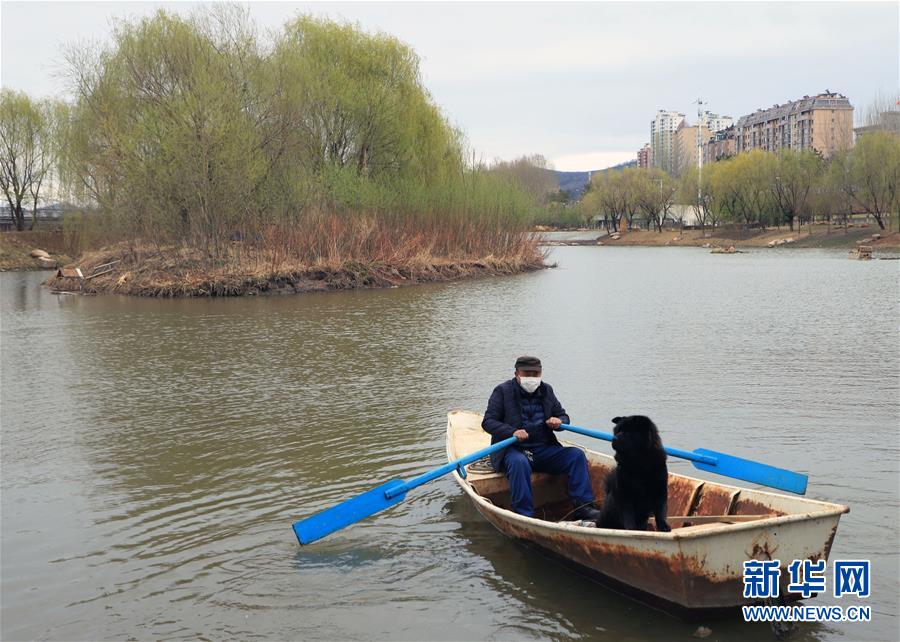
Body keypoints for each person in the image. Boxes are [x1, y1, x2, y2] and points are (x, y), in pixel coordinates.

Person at [482, 356, 601, 521]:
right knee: (519, 463)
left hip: (543, 449)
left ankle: (583, 507)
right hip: (514, 451)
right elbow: (488, 422)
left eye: (535, 373)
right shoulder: (502, 391)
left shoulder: (547, 390)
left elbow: (563, 416)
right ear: (516, 373)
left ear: (541, 374)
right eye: (527, 373)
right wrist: (512, 432)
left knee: (576, 456)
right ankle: (525, 515)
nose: (531, 378)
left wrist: (559, 422)